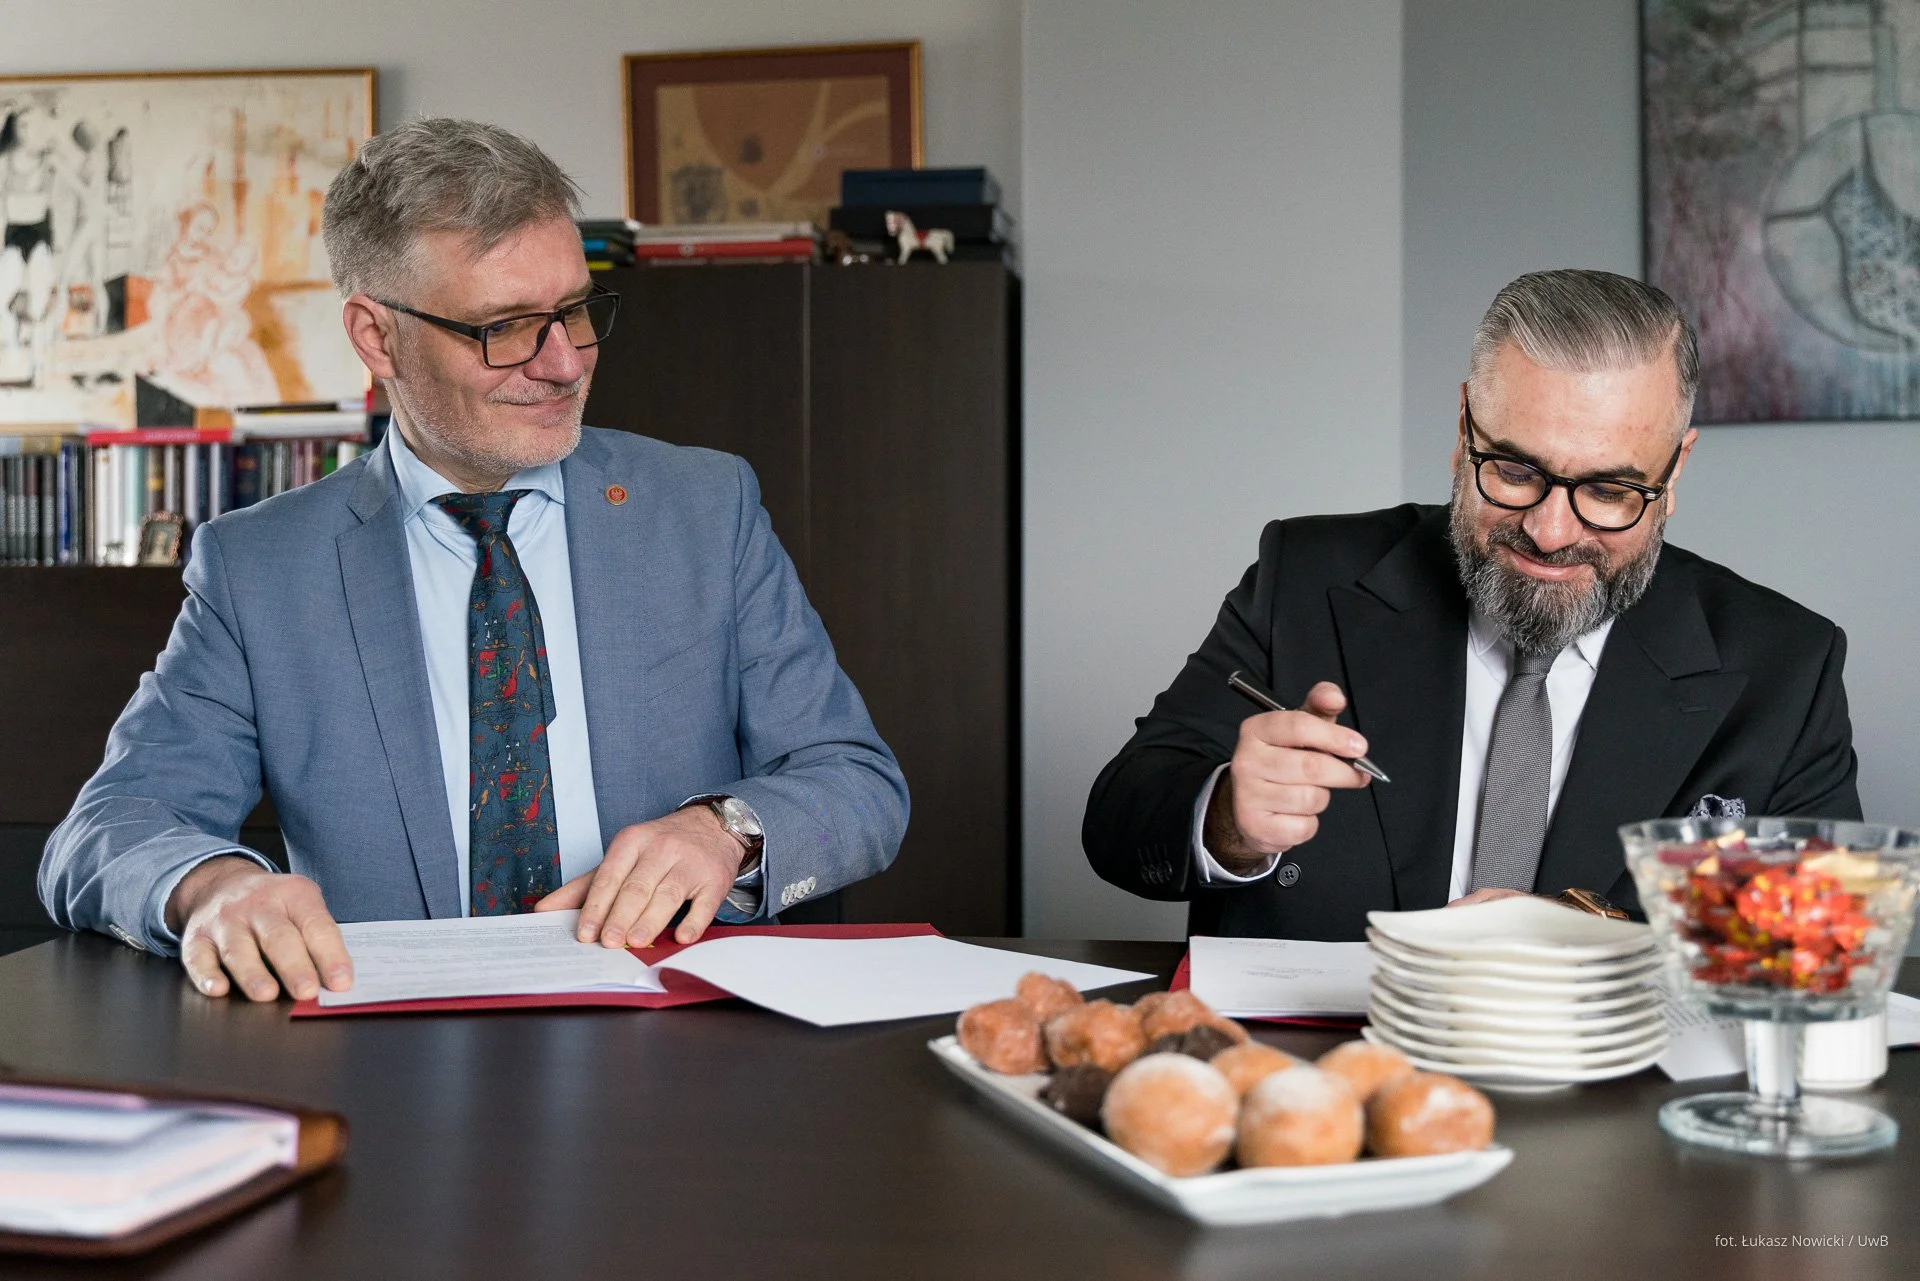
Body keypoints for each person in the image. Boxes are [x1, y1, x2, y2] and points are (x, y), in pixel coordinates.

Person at [41, 119, 909, 1000]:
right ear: (376, 337)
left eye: (576, 310)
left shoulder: (705, 509)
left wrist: (725, 830)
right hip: (391, 1052)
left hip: (677, 1038)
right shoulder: (258, 568)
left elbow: (856, 781)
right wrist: (214, 887)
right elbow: (106, 829)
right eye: (506, 327)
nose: (564, 363)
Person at [1082, 269, 1858, 940]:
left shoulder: (1786, 664)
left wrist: (1597, 940)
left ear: (1674, 471)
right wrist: (1227, 816)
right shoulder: (1309, 575)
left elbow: (1823, 935)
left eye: (1608, 489)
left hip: (1615, 1069)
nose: (1551, 533)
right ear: (1463, 430)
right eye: (1515, 472)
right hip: (1329, 1060)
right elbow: (1119, 822)